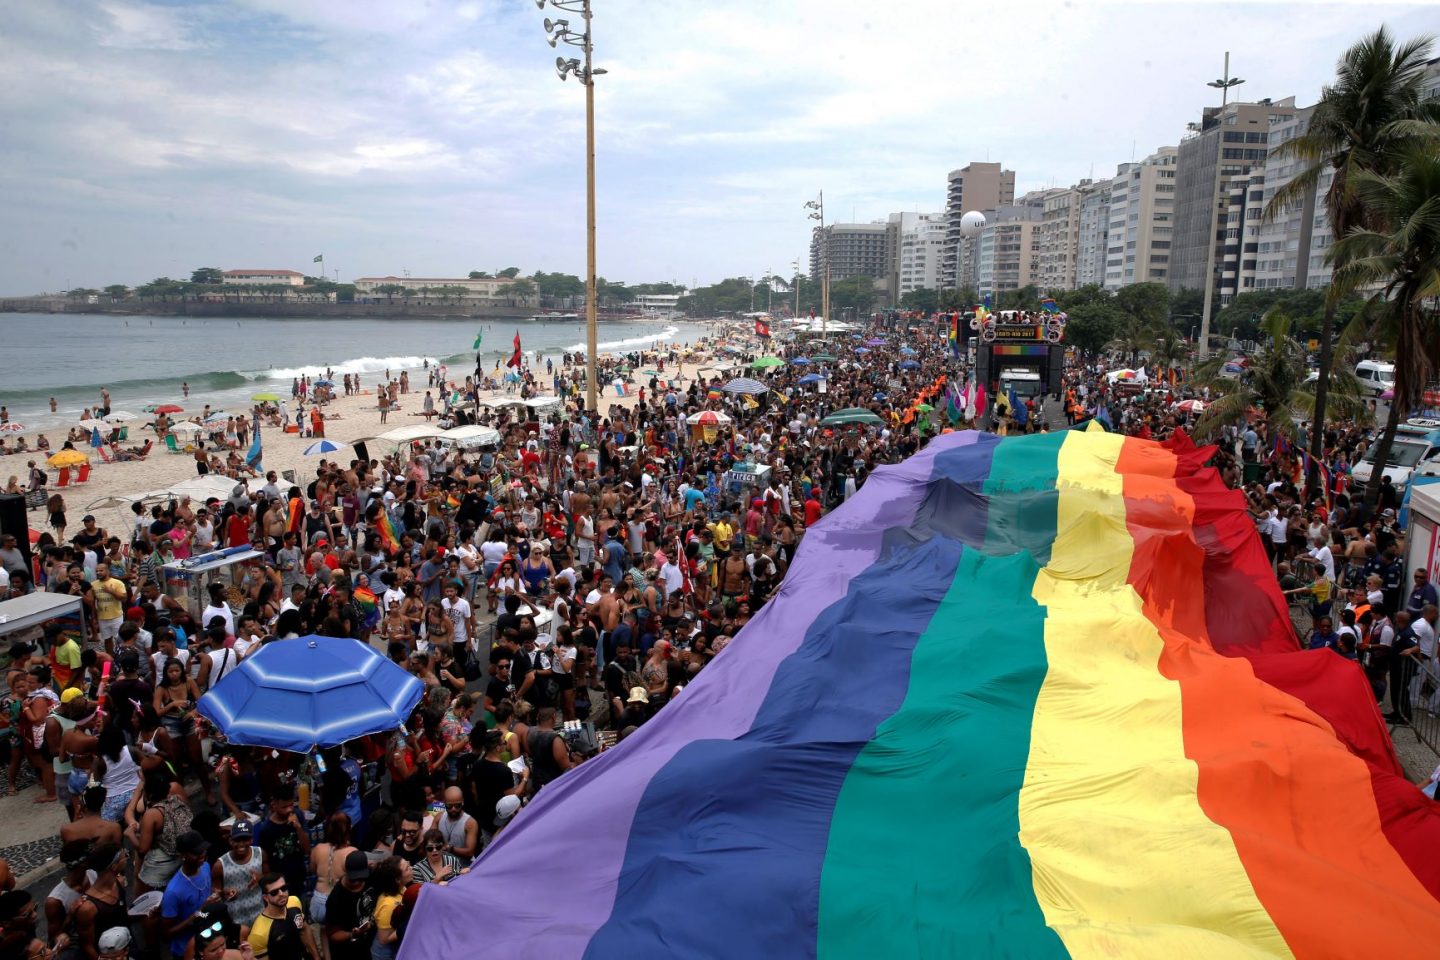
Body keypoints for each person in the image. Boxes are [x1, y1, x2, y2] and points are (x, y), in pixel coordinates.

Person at [160, 831, 219, 960]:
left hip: (208, 943)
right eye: (196, 853)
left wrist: (220, 893)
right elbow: (166, 933)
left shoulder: (205, 867)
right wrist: (198, 914)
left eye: (203, 850)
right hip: (186, 951)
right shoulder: (173, 892)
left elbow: (206, 893)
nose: (202, 855)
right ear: (183, 855)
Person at [243, 873, 318, 960]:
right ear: (266, 898)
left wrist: (316, 958)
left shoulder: (294, 902)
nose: (281, 894)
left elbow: (304, 929)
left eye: (283, 888)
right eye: (274, 892)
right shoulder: (258, 934)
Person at [255, 786, 310, 903]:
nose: (289, 810)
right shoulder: (266, 829)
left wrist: (298, 828)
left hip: (299, 877)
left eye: (291, 805)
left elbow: (307, 850)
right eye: (284, 807)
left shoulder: (298, 815)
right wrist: (271, 885)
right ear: (274, 805)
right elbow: (265, 861)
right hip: (280, 884)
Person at [213, 819, 264, 930]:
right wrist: (223, 893)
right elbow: (213, 893)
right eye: (237, 840)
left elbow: (271, 880)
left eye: (245, 839)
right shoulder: (220, 865)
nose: (241, 844)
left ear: (251, 840)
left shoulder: (260, 854)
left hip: (260, 917)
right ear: (230, 841)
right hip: (236, 922)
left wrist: (262, 878)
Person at [323, 851, 374, 960]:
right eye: (353, 879)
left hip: (368, 948)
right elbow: (332, 934)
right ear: (346, 872)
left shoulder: (371, 878)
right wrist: (352, 934)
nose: (357, 882)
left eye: (361, 878)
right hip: (346, 952)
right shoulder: (336, 898)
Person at [366, 857, 410, 960]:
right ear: (397, 880)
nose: (411, 868)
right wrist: (406, 927)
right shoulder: (389, 905)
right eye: (407, 868)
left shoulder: (402, 888)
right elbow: (384, 939)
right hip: (384, 954)